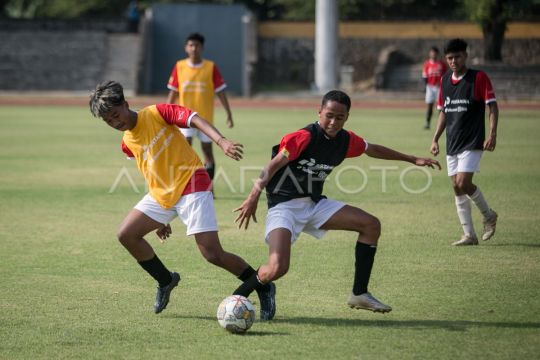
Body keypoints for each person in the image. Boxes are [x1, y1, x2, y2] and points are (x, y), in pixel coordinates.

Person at [232, 90, 441, 319]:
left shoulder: (346, 140)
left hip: (314, 204)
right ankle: (235, 300)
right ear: (319, 112)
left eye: (339, 117)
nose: (333, 122)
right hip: (284, 206)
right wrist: (252, 197)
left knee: (370, 225)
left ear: (347, 117)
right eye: (328, 115)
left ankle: (359, 294)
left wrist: (412, 159)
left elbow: (373, 150)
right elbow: (271, 167)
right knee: (276, 268)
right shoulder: (302, 137)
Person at [89, 80, 275, 318]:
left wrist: (221, 141)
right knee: (126, 234)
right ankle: (165, 280)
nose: (115, 123)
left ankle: (263, 285)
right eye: (108, 121)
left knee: (212, 254)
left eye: (116, 115)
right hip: (161, 193)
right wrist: (160, 218)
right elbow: (150, 170)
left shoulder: (157, 113)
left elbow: (194, 119)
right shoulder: (126, 143)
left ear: (126, 104)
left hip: (192, 183)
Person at [430, 38, 499, 246]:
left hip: (472, 140)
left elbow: (492, 107)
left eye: (457, 57)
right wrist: (435, 139)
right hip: (453, 141)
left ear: (465, 56)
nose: (453, 61)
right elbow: (443, 112)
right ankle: (469, 235)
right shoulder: (444, 81)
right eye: (449, 58)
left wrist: (492, 134)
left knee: (463, 182)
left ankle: (489, 216)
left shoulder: (478, 78)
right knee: (456, 187)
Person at [166, 32, 234, 193]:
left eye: (197, 45)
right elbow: (173, 93)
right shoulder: (179, 66)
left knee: (207, 152)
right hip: (184, 118)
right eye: (190, 45)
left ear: (202, 48)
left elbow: (221, 92)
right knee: (185, 150)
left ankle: (209, 188)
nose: (193, 48)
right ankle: (185, 187)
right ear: (186, 47)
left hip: (205, 119)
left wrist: (228, 114)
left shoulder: (210, 67)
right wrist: (166, 115)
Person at [422, 46, 447, 130]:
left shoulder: (442, 64)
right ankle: (427, 123)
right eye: (432, 52)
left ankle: (440, 124)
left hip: (439, 88)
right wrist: (427, 87)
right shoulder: (427, 64)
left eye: (435, 53)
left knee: (440, 106)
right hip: (430, 87)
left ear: (437, 54)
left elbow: (446, 76)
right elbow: (425, 76)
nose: (433, 54)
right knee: (429, 106)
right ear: (430, 53)